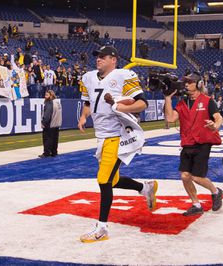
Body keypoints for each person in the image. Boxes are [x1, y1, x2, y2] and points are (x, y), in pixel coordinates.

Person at [77, 46, 157, 242]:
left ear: (113, 59)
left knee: (104, 180)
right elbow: (88, 102)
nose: (98, 59)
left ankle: (102, 228)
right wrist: (83, 117)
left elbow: (142, 103)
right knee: (112, 180)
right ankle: (145, 188)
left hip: (117, 135)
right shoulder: (88, 77)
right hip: (101, 137)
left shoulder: (123, 75)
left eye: (103, 56)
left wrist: (120, 106)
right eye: (97, 56)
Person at [164, 72, 223, 216]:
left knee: (197, 177)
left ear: (198, 84)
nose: (186, 84)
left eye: (190, 82)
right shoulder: (182, 102)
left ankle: (216, 192)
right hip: (187, 143)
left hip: (202, 143)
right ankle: (196, 204)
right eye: (185, 82)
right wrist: (167, 98)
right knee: (185, 176)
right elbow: (171, 118)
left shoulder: (208, 100)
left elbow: (218, 118)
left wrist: (214, 126)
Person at [39, 90, 62, 158]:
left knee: (47, 139)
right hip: (56, 124)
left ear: (51, 96)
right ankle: (54, 152)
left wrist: (43, 123)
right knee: (55, 139)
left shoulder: (49, 103)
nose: (45, 97)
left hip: (50, 124)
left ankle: (46, 153)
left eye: (47, 95)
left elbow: (47, 115)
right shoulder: (57, 102)